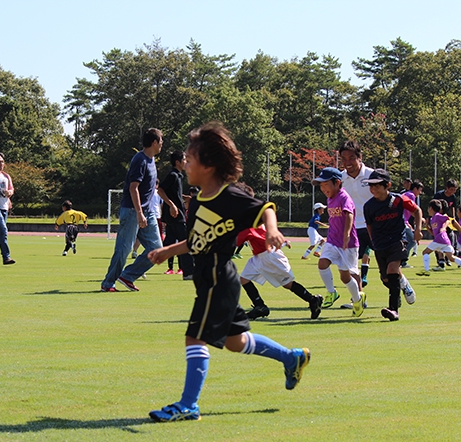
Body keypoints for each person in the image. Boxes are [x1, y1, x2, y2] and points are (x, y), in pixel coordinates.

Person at [146, 122, 310, 422]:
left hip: (218, 279)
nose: (186, 165)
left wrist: (272, 230)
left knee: (195, 337)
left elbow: (265, 208)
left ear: (208, 165)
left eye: (190, 160)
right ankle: (291, 357)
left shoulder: (229, 195)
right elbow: (197, 241)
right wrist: (169, 251)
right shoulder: (198, 201)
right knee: (237, 342)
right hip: (210, 279)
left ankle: (188, 404)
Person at [235, 181, 323, 320]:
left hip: (270, 256)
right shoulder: (251, 215)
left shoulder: (249, 219)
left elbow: (237, 240)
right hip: (259, 256)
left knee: (287, 284)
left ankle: (313, 300)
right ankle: (260, 306)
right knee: (244, 279)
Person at [101, 128, 164, 292]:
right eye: (161, 141)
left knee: (157, 249)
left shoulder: (151, 160)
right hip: (132, 211)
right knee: (124, 249)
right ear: (154, 142)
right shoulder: (140, 160)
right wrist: (139, 213)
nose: (162, 144)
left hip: (148, 212)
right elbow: (133, 188)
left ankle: (127, 276)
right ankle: (108, 283)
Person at [363, 169, 422, 322]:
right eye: (371, 186)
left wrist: (417, 230)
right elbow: (369, 225)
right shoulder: (368, 206)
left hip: (398, 240)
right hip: (380, 244)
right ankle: (403, 284)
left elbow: (417, 211)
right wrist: (373, 241)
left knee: (392, 269)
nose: (373, 189)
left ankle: (393, 310)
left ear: (387, 185)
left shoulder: (398, 200)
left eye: (377, 185)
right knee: (386, 279)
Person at [311, 167, 366, 317]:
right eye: (321, 186)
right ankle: (331, 292)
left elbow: (349, 215)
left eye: (326, 185)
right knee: (322, 263)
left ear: (337, 182)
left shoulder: (344, 197)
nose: (323, 189)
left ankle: (357, 300)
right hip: (332, 240)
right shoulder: (330, 198)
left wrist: (347, 234)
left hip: (348, 244)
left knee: (345, 276)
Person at [339, 140, 374, 295]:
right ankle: (358, 299)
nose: (347, 162)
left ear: (360, 157)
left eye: (351, 158)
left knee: (387, 264)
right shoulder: (340, 179)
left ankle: (401, 284)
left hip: (374, 226)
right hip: (352, 228)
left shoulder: (372, 175)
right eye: (344, 159)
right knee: (350, 266)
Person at [158, 150, 194, 280]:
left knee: (168, 244)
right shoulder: (173, 175)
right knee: (185, 242)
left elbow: (173, 193)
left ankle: (143, 264)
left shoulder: (178, 176)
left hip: (175, 215)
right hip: (176, 216)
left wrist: (184, 197)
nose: (186, 162)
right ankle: (189, 273)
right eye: (184, 159)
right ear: (177, 162)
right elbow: (160, 190)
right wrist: (172, 205)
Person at [417, 200, 461, 278]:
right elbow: (433, 233)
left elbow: (447, 219)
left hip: (440, 239)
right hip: (444, 241)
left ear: (431, 208)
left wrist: (443, 227)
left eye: (428, 208)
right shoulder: (432, 219)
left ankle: (426, 270)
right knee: (451, 258)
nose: (427, 210)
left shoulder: (437, 215)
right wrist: (427, 227)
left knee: (425, 252)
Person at [433, 179, 459, 268]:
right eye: (451, 189)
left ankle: (448, 257)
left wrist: (453, 217)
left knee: (450, 238)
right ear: (447, 188)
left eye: (454, 190)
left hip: (447, 220)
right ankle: (440, 260)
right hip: (438, 220)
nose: (453, 192)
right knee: (438, 239)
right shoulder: (439, 195)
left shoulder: (453, 197)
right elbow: (433, 206)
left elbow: (453, 207)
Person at [401, 180, 424, 266]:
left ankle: (401, 260)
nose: (420, 193)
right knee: (412, 240)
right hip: (402, 221)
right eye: (419, 190)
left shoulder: (406, 194)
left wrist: (408, 223)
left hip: (403, 221)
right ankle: (402, 260)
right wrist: (420, 218)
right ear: (415, 189)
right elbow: (412, 209)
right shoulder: (411, 195)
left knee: (407, 241)